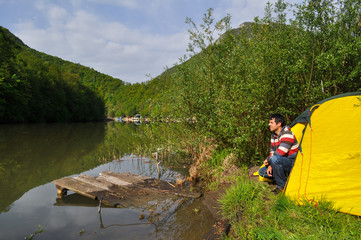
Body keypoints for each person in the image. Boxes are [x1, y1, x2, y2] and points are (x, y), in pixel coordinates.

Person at [259, 113, 299, 192]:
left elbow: (281, 153)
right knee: (262, 171)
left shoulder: (287, 134)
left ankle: (281, 187)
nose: (269, 124)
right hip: (280, 161)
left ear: (279, 124)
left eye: (271, 122)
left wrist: (269, 160)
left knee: (274, 159)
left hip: (291, 163)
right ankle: (285, 178)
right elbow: (272, 151)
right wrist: (270, 165)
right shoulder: (273, 136)